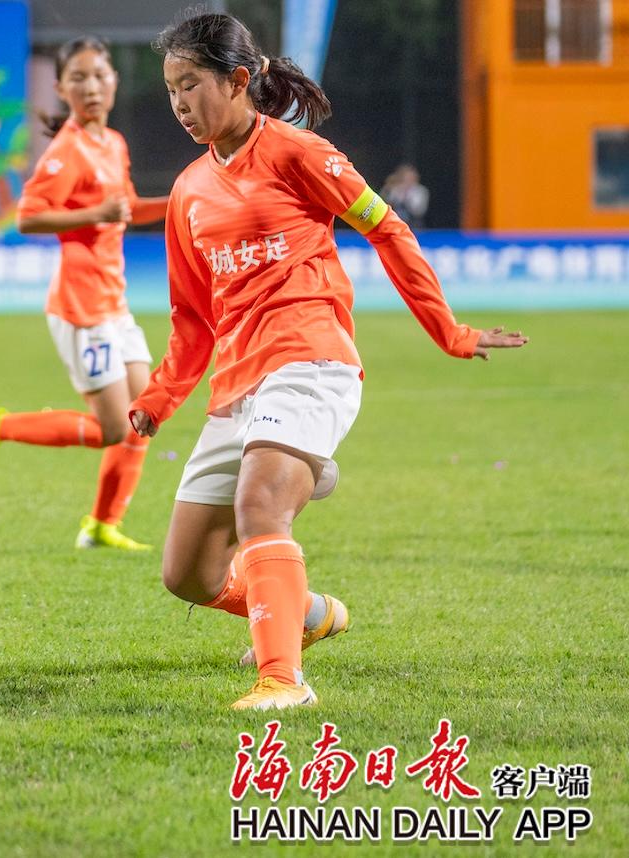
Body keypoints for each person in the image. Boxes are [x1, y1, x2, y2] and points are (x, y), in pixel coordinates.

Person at [134, 12, 528, 710]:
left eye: (190, 85)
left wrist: (450, 332)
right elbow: (193, 318)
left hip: (309, 358)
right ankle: (308, 611)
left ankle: (282, 680)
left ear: (238, 79)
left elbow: (388, 230)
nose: (180, 104)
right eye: (171, 90)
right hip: (238, 385)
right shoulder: (189, 191)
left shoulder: (298, 152)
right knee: (187, 575)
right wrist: (158, 399)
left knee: (260, 505)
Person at [0, 37, 169, 551]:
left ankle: (101, 525)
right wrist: (94, 214)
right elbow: (28, 216)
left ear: (114, 81)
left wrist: (181, 198)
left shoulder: (112, 143)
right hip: (81, 306)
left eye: (99, 75)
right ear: (61, 88)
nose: (91, 86)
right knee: (112, 429)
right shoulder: (67, 150)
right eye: (79, 78)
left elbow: (126, 209)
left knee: (144, 414)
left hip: (114, 301)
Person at [382, 163, 430, 229]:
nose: (408, 179)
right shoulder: (396, 189)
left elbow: (419, 211)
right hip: (396, 223)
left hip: (414, 224)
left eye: (410, 177)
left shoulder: (421, 190)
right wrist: (388, 187)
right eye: (406, 177)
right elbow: (385, 202)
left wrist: (407, 197)